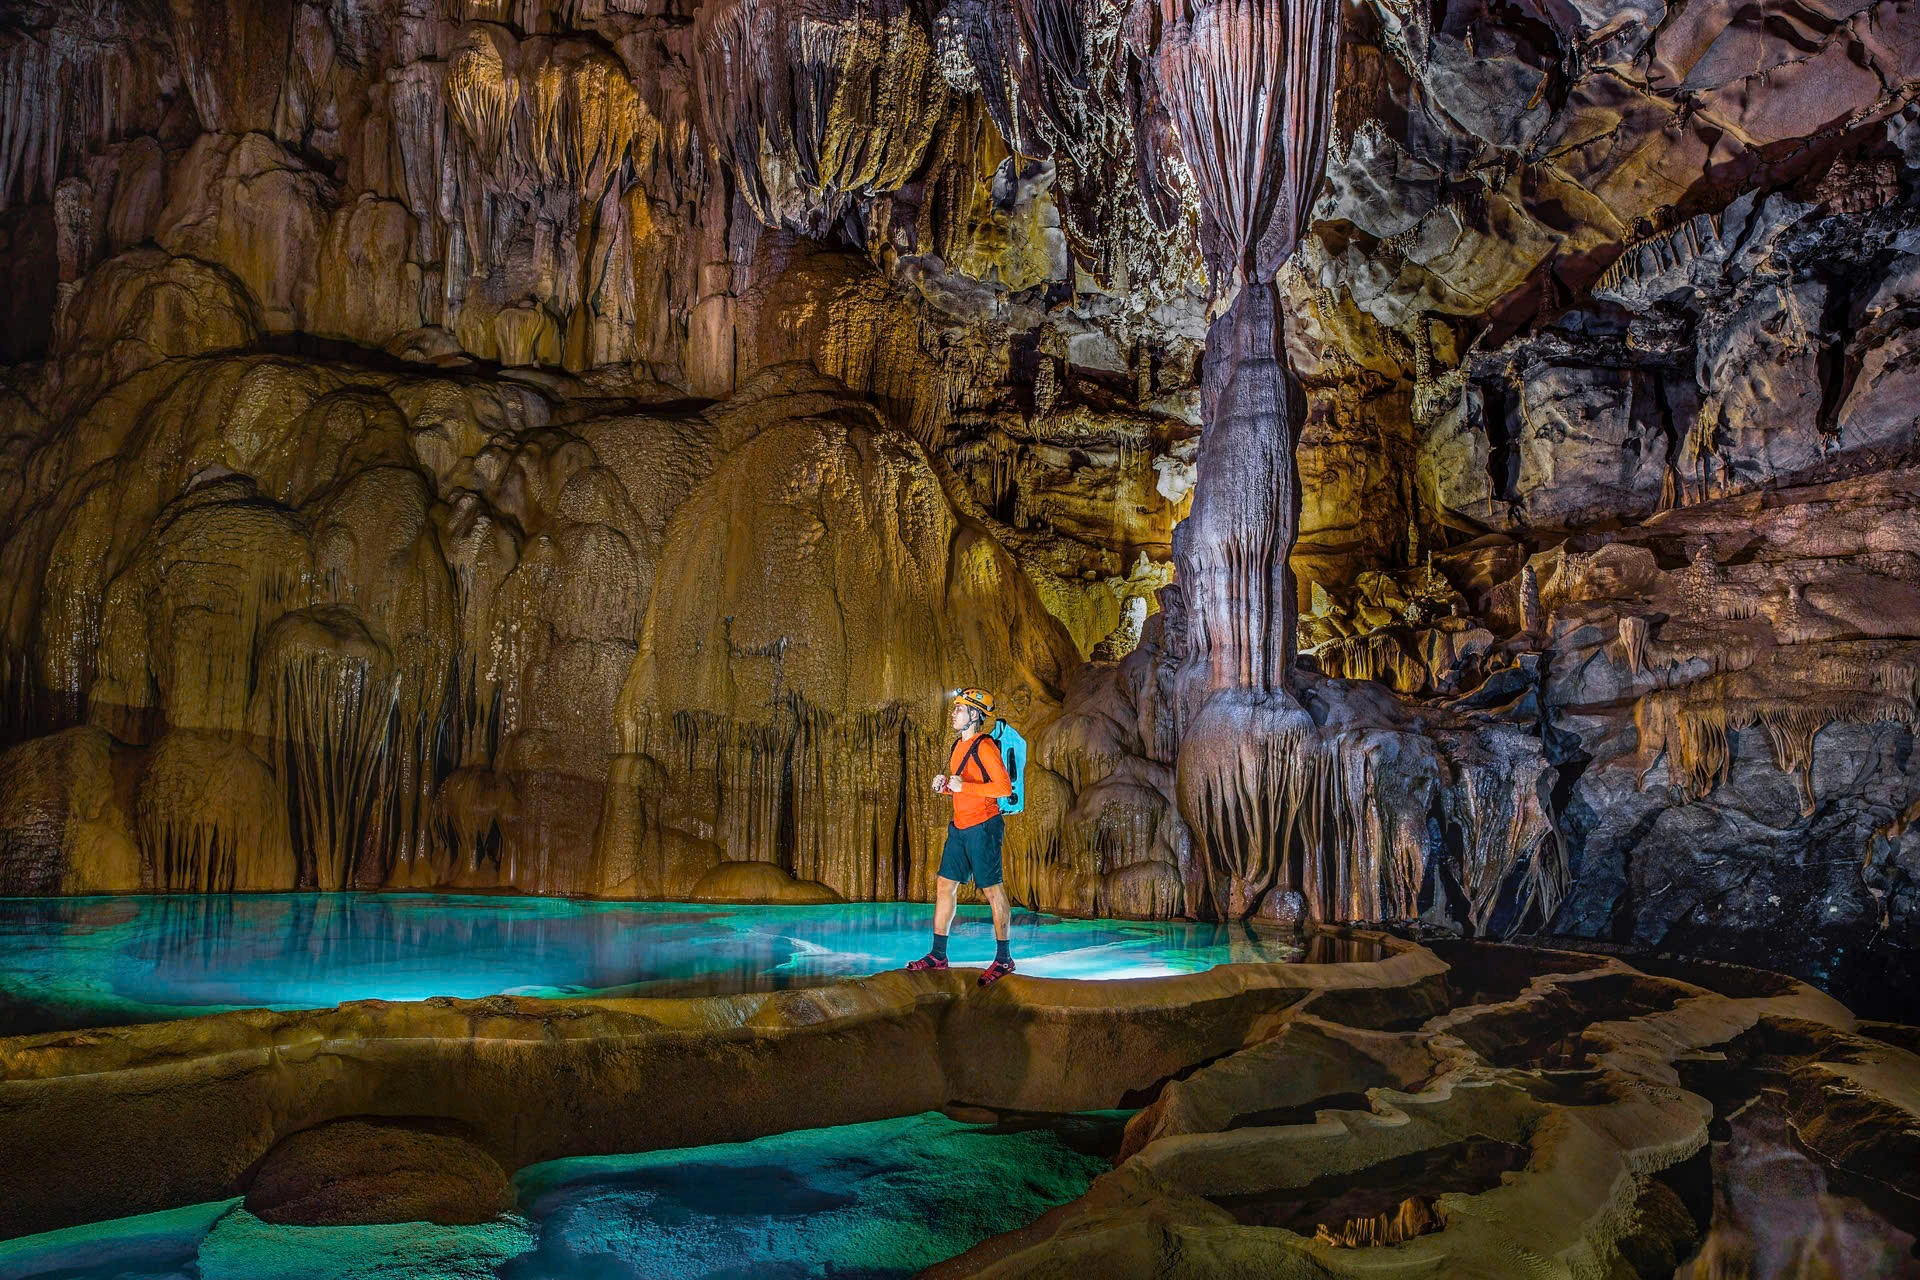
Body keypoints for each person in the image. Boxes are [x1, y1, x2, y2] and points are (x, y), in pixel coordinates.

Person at [907, 688, 1015, 985]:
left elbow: (1004, 788)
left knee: (992, 891)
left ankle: (1004, 959)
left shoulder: (985, 747)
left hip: (984, 826)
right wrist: (944, 787)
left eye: (960, 708)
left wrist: (963, 787)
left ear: (975, 716)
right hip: (960, 827)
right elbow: (960, 787)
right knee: (945, 885)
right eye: (955, 708)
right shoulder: (957, 747)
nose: (954, 713)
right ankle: (938, 954)